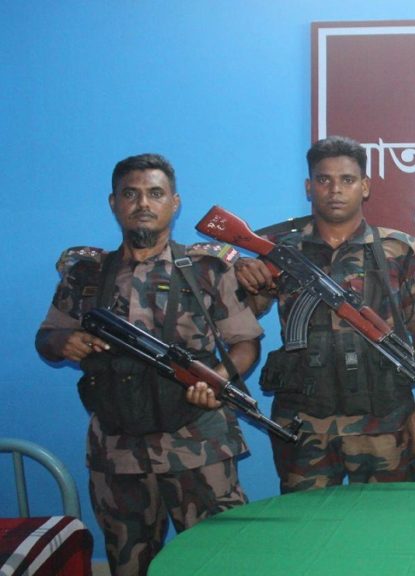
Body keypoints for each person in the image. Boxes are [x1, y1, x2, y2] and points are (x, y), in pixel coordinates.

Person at [35, 153, 261, 576]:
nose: (143, 203)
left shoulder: (206, 270)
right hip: (117, 453)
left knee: (220, 563)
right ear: (114, 202)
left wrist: (219, 381)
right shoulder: (85, 274)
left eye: (155, 193)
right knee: (129, 565)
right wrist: (64, 342)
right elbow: (46, 337)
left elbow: (245, 341)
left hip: (198, 447)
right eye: (131, 194)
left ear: (174, 203)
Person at [234, 135, 415, 492]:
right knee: (306, 521)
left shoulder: (400, 248)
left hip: (384, 419)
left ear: (365, 186)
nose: (335, 190)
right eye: (324, 179)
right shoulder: (279, 249)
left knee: (390, 519)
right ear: (308, 187)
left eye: (347, 180)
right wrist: (242, 275)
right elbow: (247, 318)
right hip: (304, 420)